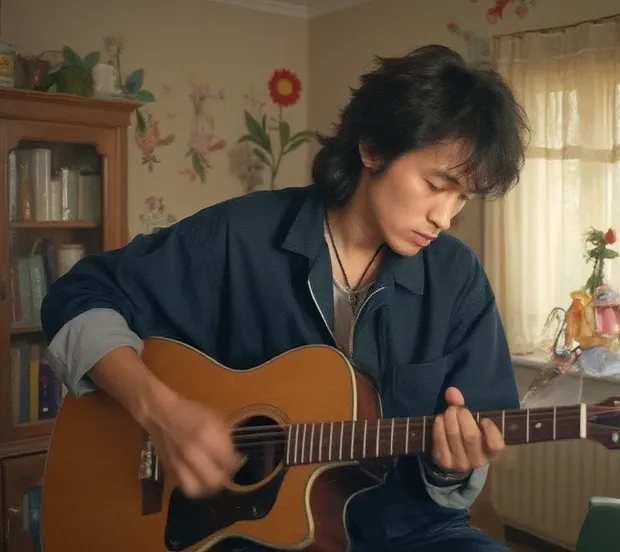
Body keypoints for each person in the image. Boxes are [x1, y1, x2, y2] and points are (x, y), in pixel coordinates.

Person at [41, 44, 529, 552]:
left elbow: (474, 439)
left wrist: (450, 467)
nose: (445, 218)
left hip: (408, 533)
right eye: (436, 184)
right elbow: (76, 296)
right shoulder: (240, 235)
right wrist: (160, 411)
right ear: (373, 149)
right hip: (250, 534)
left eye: (462, 198)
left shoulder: (458, 279)